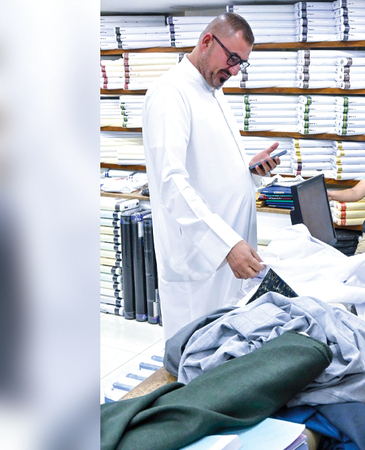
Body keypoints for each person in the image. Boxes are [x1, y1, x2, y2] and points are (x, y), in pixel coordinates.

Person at [142, 13, 281, 340]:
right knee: (198, 354)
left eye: (241, 63)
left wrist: (249, 170)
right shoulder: (170, 92)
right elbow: (171, 182)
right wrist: (225, 245)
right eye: (232, 59)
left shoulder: (212, 89)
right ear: (207, 41)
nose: (234, 71)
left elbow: (208, 166)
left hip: (229, 254)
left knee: (227, 352)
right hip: (201, 263)